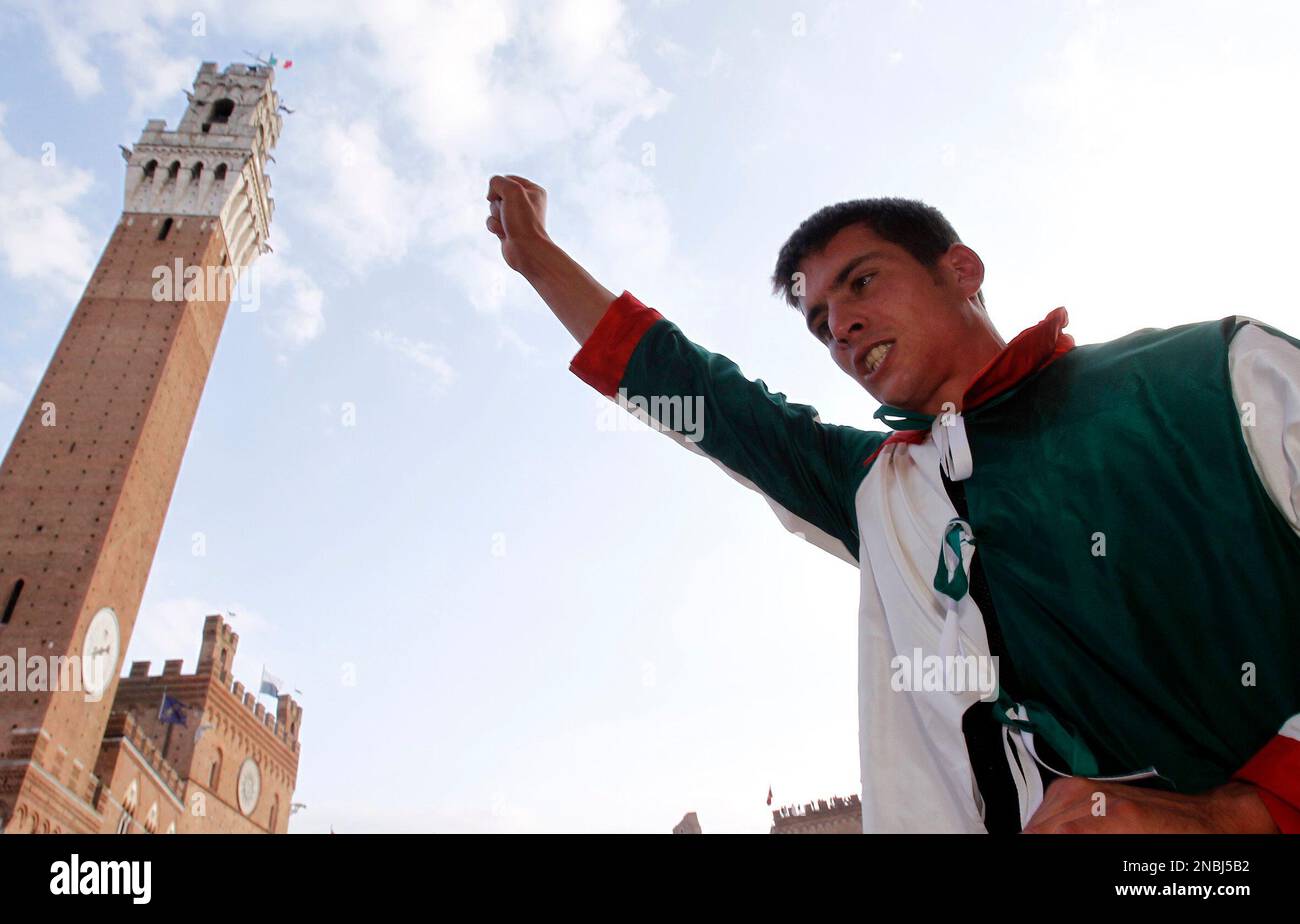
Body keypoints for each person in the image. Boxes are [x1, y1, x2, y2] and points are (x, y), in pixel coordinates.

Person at [485, 173, 1299, 834]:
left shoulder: (1217, 377)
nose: (840, 325)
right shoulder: (874, 489)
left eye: (862, 281)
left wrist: (1242, 813)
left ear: (962, 270)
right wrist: (537, 259)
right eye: (819, 322)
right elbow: (697, 392)